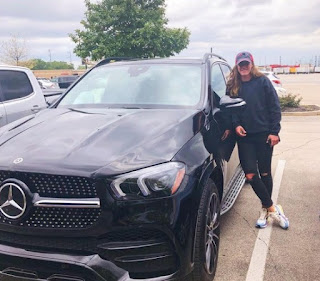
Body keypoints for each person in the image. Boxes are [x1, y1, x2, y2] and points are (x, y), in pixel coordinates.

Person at [226, 51, 289, 229]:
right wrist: (235, 124)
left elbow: (274, 107)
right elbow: (231, 109)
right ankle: (272, 209)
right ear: (237, 66)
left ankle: (264, 208)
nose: (244, 67)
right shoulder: (232, 85)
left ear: (251, 64)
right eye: (241, 64)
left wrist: (274, 132)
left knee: (265, 173)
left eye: (246, 64)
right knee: (250, 174)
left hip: (264, 135)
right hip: (244, 137)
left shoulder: (262, 82)